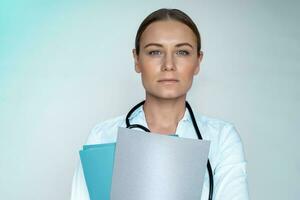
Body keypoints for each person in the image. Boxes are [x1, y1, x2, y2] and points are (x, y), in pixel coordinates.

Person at [71, 8, 249, 200]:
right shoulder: (102, 136)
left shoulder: (222, 139)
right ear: (137, 59)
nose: (169, 65)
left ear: (198, 61)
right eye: (155, 52)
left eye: (182, 52)